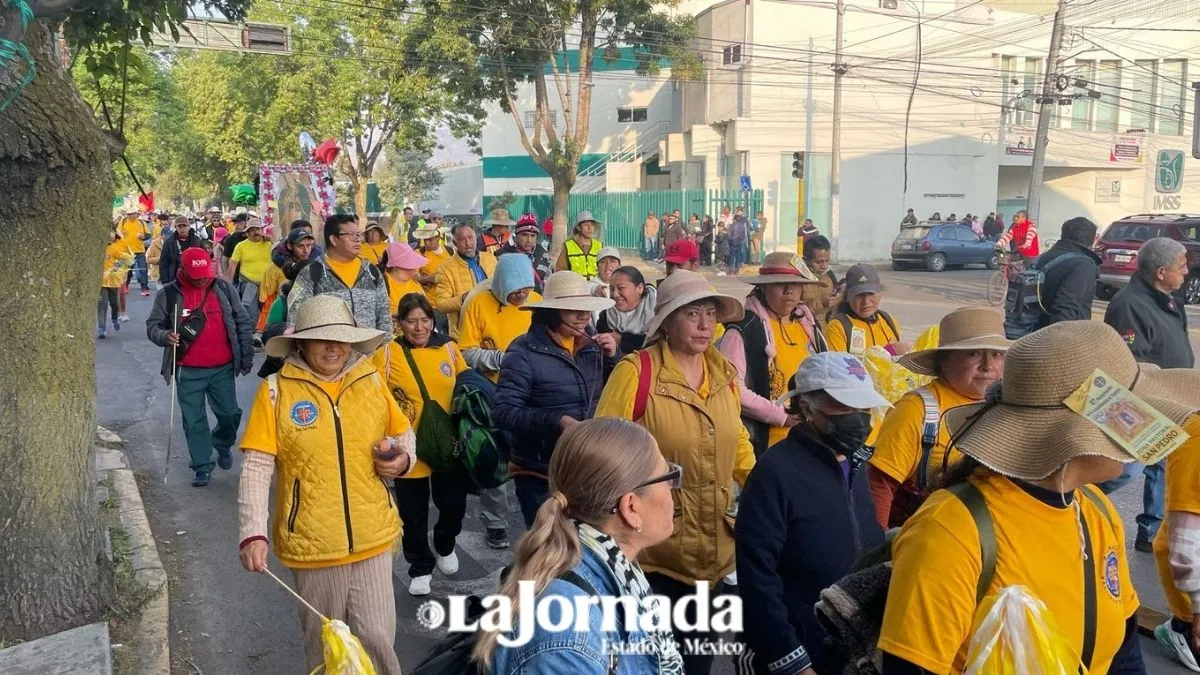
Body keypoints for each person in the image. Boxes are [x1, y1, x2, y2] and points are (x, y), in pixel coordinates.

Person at [878, 320, 1163, 675]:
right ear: (1069, 434)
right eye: (1124, 417)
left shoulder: (1097, 510)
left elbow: (1123, 651)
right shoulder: (950, 530)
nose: (1136, 432)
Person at [237, 295, 413, 675]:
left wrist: (401, 459)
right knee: (327, 648)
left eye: (341, 338)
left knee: (378, 640)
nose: (333, 348)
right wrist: (252, 532)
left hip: (373, 536)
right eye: (322, 339)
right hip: (313, 544)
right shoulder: (275, 392)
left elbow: (402, 433)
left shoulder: (371, 381)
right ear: (301, 343)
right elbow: (256, 465)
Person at [596, 270, 755, 675]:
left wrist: (758, 490)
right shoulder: (637, 372)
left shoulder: (724, 375)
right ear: (666, 321)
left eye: (710, 313)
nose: (705, 325)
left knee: (698, 661)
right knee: (650, 663)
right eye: (692, 314)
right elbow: (603, 453)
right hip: (652, 555)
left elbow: (737, 441)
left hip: (715, 552)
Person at [477, 418, 686, 674]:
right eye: (668, 476)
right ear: (631, 507)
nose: (672, 489)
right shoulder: (568, 637)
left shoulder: (613, 567)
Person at [737, 352, 889, 674]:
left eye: (864, 409)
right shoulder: (775, 472)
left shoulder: (856, 463)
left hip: (851, 649)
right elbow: (756, 577)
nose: (859, 418)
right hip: (802, 650)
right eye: (845, 407)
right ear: (807, 407)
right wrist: (792, 661)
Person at [494, 271, 618, 526]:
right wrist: (556, 421)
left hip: (585, 464)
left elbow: (615, 390)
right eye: (574, 310)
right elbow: (503, 411)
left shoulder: (593, 346)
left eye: (585, 310)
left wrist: (614, 357)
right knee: (547, 546)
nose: (583, 316)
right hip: (539, 470)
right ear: (553, 312)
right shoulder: (523, 352)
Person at [868, 307, 1010, 528]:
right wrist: (878, 548)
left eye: (996, 354)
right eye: (973, 353)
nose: (987, 366)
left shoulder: (1006, 406)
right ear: (944, 361)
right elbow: (880, 484)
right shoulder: (915, 410)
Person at [372, 293, 471, 596]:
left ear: (433, 321)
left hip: (447, 443)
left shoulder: (449, 349)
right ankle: (420, 565)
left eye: (424, 320)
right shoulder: (388, 353)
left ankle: (444, 542)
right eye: (411, 321)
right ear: (400, 323)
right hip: (408, 446)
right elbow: (374, 396)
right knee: (413, 512)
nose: (419, 327)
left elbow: (467, 384)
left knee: (453, 503)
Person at [1100, 236, 1195, 552]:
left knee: (1164, 468)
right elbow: (1129, 360)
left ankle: (1152, 532)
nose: (1186, 272)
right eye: (1181, 267)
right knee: (1125, 470)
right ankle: (1072, 497)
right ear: (1160, 271)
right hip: (1141, 403)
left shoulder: (1168, 299)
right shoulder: (1131, 304)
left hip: (1172, 401)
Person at [147, 247, 253, 487]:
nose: (202, 279)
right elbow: (153, 325)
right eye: (196, 275)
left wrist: (245, 358)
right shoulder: (168, 295)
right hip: (188, 369)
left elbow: (241, 321)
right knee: (194, 420)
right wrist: (165, 336)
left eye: (205, 274)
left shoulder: (224, 289)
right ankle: (201, 465)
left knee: (230, 414)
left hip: (222, 367)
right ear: (182, 270)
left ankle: (223, 443)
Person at [719, 252, 826, 455]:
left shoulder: (808, 325)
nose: (789, 291)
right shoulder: (744, 329)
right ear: (763, 287)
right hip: (765, 445)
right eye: (779, 284)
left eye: (795, 285)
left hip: (811, 441)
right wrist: (780, 415)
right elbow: (731, 388)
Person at [286, 214, 392, 334]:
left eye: (358, 234)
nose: (358, 239)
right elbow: (296, 316)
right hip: (330, 350)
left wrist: (382, 345)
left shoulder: (371, 272)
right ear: (333, 239)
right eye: (351, 235)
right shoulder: (311, 273)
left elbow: (384, 315)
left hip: (370, 351)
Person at [457, 253, 540, 382]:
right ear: (502, 285)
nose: (522, 295)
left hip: (534, 380)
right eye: (516, 290)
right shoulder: (479, 303)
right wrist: (501, 359)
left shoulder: (537, 302)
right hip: (495, 383)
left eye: (527, 289)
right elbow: (466, 353)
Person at [825, 263, 909, 357]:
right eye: (859, 295)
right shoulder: (837, 327)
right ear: (848, 297)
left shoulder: (889, 321)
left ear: (879, 295)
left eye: (871, 294)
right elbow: (840, 368)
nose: (866, 302)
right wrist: (886, 353)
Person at [1033, 216, 1101, 329]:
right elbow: (1066, 309)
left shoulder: (1044, 257)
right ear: (1093, 239)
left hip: (1032, 331)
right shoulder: (1083, 264)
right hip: (1058, 338)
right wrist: (1063, 344)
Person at [433, 223, 498, 339]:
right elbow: (441, 304)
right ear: (455, 243)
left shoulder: (490, 259)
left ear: (476, 239)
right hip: (465, 332)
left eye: (470, 237)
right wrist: (462, 299)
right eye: (462, 239)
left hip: (493, 325)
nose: (468, 243)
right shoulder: (445, 269)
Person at [595, 266, 658, 355]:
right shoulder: (605, 318)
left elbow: (659, 344)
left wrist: (622, 340)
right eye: (612, 289)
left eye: (621, 288)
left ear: (640, 288)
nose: (615, 294)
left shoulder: (659, 312)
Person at [225, 218, 274, 323]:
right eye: (252, 229)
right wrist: (228, 286)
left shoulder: (269, 243)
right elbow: (232, 266)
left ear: (262, 230)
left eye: (257, 229)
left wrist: (272, 239)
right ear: (247, 232)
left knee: (268, 313)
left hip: (268, 285)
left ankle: (262, 335)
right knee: (251, 314)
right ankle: (251, 336)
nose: (255, 232)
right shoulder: (241, 246)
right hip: (248, 284)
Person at [498, 214, 551, 293]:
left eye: (533, 236)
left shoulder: (542, 253)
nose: (529, 240)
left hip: (538, 301)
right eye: (524, 235)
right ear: (516, 236)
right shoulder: (504, 255)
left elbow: (548, 279)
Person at [799, 235, 838, 330]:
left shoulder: (830, 276)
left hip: (827, 332)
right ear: (805, 259)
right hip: (806, 332)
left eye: (827, 261)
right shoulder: (798, 279)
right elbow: (794, 311)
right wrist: (820, 302)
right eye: (818, 262)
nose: (824, 266)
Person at [99, 230, 133, 339]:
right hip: (101, 283)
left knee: (114, 304)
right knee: (102, 304)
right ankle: (101, 328)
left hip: (113, 281)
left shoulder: (113, 248)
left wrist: (115, 268)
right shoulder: (94, 250)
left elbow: (128, 259)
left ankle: (114, 318)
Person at [380, 242, 428, 316]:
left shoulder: (415, 283)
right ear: (397, 266)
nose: (415, 267)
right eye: (410, 263)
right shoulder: (382, 284)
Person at [557, 211, 604, 280]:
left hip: (595, 285)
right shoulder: (568, 245)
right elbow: (561, 269)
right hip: (575, 286)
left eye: (592, 225)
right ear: (578, 228)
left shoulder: (599, 245)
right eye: (586, 225)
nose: (590, 228)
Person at [158, 215, 203, 286]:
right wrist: (165, 282)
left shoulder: (197, 241)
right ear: (176, 228)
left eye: (184, 226)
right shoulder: (169, 243)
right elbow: (163, 263)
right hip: (175, 279)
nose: (182, 229)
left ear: (189, 227)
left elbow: (205, 259)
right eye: (179, 226)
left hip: (195, 279)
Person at [118, 211, 151, 296]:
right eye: (129, 214)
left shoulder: (141, 222)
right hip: (127, 251)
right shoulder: (123, 222)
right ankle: (126, 286)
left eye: (132, 214)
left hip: (140, 251)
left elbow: (148, 235)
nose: (130, 216)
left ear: (136, 214)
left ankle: (144, 288)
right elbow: (118, 233)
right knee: (127, 271)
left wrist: (142, 237)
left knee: (143, 270)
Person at [412, 220, 451, 285]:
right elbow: (413, 277)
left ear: (438, 238)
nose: (427, 243)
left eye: (430, 240)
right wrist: (430, 278)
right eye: (425, 239)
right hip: (428, 294)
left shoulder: (450, 251)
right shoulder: (418, 253)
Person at [727, 206, 749, 275]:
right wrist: (739, 240)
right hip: (739, 243)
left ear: (734, 220)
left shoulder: (731, 226)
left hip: (732, 243)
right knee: (738, 256)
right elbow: (743, 235)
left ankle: (731, 270)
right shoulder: (742, 226)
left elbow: (729, 235)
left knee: (731, 256)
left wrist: (730, 241)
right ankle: (737, 270)